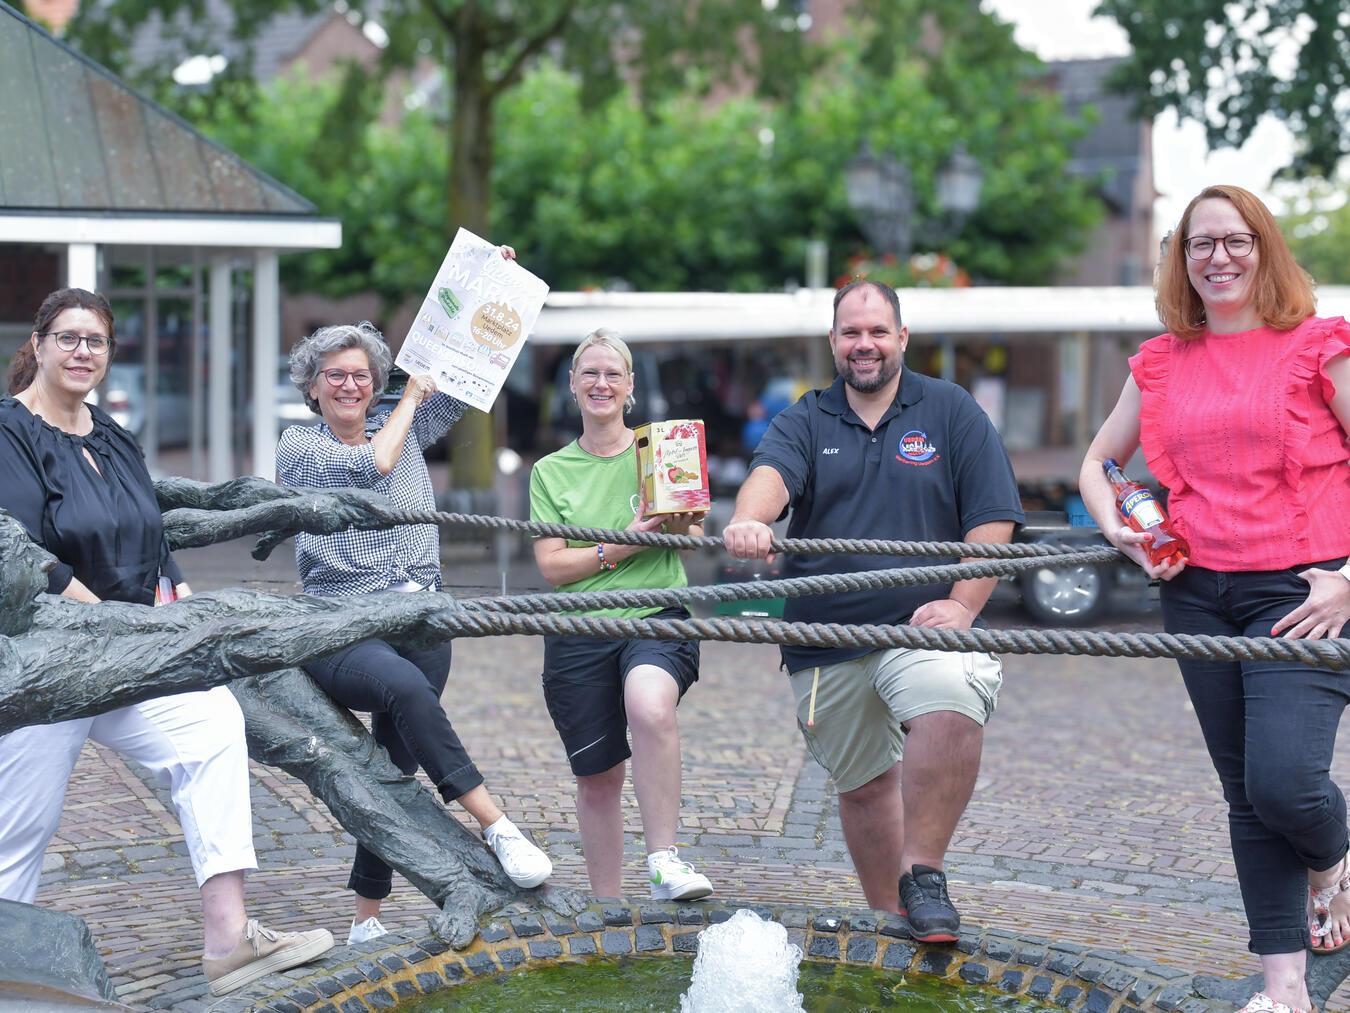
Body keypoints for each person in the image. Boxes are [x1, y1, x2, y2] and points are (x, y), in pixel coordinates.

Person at [0, 288, 333, 996]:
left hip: (125, 657)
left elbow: (146, 537)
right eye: (69, 337)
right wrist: (123, 629)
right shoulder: (8, 431)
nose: (82, 351)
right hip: (45, 662)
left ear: (109, 353)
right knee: (21, 829)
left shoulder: (114, 439)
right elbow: (27, 558)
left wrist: (169, 602)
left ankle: (229, 938)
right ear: (41, 344)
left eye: (95, 340)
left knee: (212, 721)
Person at [1079, 184, 1350, 1013]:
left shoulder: (1318, 344)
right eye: (1200, 245)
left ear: (1264, 248)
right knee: (1244, 792)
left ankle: (1334, 859)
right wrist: (1119, 531)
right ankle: (1285, 987)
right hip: (1198, 592)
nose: (1219, 257)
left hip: (1305, 587)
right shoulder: (1161, 359)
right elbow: (1100, 463)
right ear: (1181, 260)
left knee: (1284, 781)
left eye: (1236, 240)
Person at [724, 279, 1023, 941]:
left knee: (950, 694)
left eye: (878, 331)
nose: (865, 344)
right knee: (862, 785)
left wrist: (962, 604)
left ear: (902, 338)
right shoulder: (806, 417)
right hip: (825, 637)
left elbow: (994, 517)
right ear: (834, 341)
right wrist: (749, 519)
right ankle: (894, 921)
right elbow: (770, 479)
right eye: (852, 332)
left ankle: (924, 872)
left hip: (920, 625)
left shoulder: (951, 410)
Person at [276, 311, 552, 947]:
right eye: (335, 376)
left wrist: (488, 293)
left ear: (378, 382)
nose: (350, 386)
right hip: (342, 620)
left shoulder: (401, 421)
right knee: (402, 691)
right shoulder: (301, 447)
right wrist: (407, 401)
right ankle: (497, 824)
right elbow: (374, 467)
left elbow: (467, 376)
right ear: (311, 387)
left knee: (393, 769)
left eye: (363, 375)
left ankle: (365, 919)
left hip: (422, 613)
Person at [529, 328, 713, 901]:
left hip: (656, 614)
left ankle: (664, 860)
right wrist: (625, 545)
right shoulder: (549, 471)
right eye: (590, 373)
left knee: (648, 702)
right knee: (598, 777)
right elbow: (553, 568)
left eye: (613, 374)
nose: (601, 383)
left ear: (631, 386)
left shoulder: (661, 449)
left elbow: (693, 534)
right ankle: (607, 907)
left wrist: (682, 520)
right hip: (578, 630)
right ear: (573, 386)